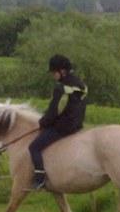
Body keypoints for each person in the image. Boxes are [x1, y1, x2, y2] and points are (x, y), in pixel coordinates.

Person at [28, 54, 87, 190]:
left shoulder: (61, 88)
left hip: (62, 128)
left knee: (34, 147)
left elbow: (54, 112)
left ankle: (40, 178)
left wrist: (42, 122)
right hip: (77, 126)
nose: (53, 76)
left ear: (62, 71)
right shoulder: (81, 85)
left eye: (54, 72)